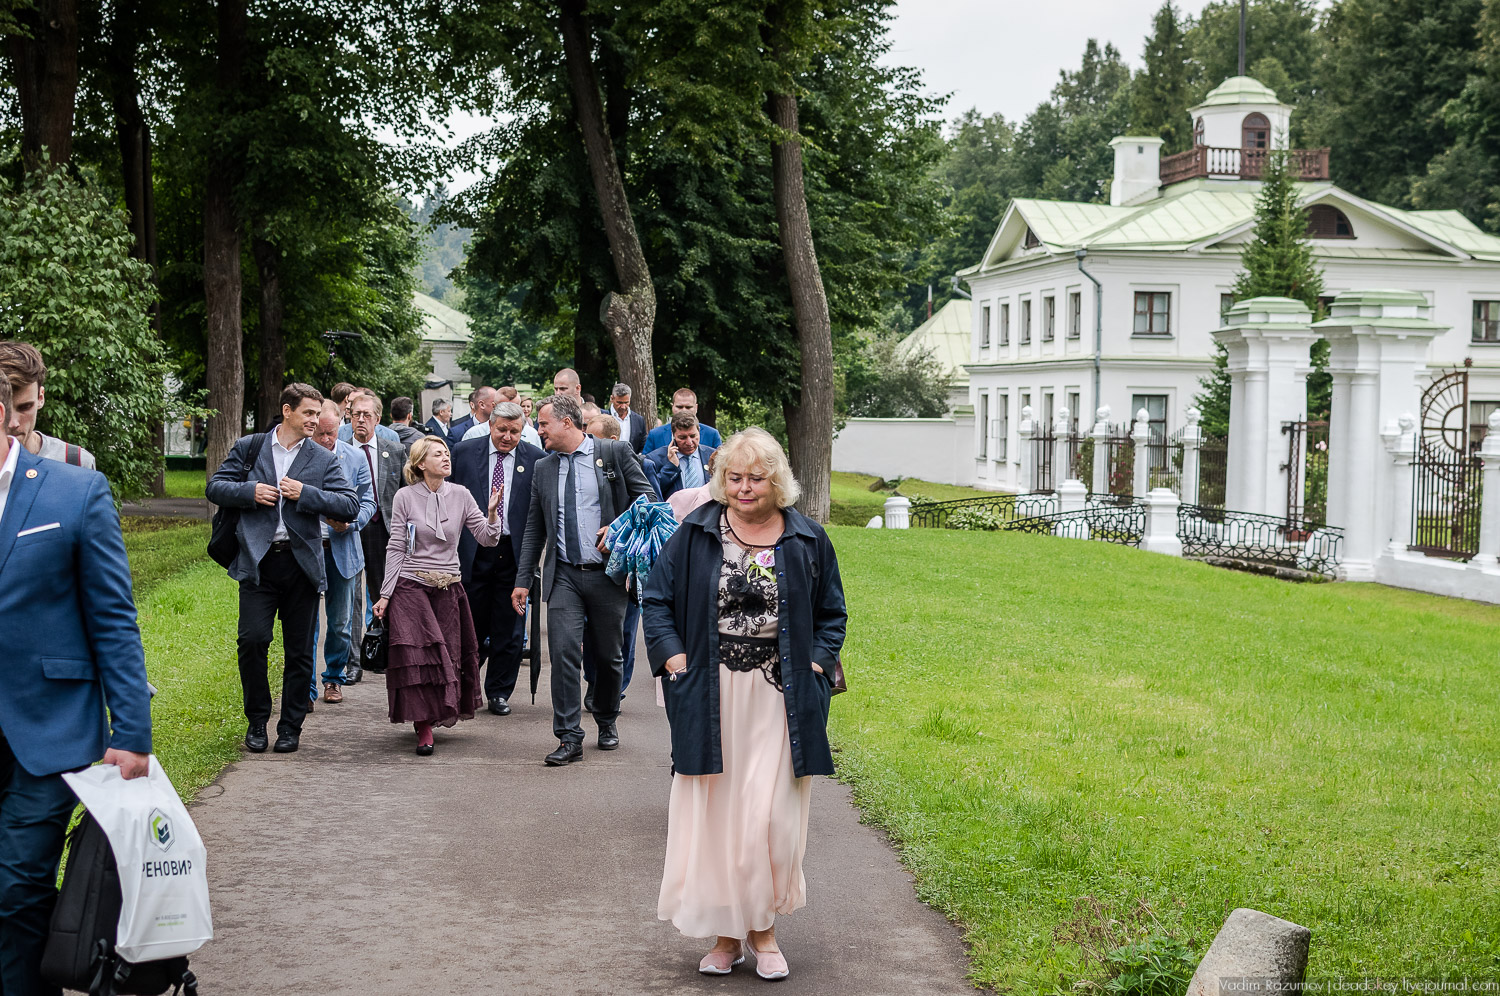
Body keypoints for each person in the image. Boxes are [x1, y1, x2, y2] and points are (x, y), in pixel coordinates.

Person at [643, 428, 846, 980]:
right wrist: (673, 659)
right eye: (734, 477)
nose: (744, 487)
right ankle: (729, 937)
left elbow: (832, 613)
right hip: (711, 694)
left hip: (782, 696)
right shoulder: (696, 532)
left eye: (756, 478)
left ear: (776, 481)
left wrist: (817, 663)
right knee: (718, 817)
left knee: (770, 816)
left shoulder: (807, 538)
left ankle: (765, 930)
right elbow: (656, 599)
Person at [0, 370, 153, 996]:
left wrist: (133, 731)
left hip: (49, 726)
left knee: (18, 887)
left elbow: (113, 618)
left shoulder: (76, 490)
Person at [207, 383, 360, 754]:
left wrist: (305, 493)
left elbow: (349, 505)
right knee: (252, 641)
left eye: (318, 414)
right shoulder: (251, 446)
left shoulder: (322, 458)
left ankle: (290, 726)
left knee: (299, 652)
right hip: (258, 562)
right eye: (308, 413)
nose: (315, 420)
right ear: (287, 411)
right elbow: (216, 487)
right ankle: (257, 720)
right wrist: (250, 491)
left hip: (301, 564)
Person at [512, 393, 653, 766]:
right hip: (564, 576)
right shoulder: (543, 468)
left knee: (608, 656)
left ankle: (606, 718)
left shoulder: (614, 453)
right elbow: (534, 528)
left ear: (566, 423)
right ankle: (569, 736)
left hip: (607, 575)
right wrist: (523, 579)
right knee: (563, 653)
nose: (538, 430)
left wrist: (619, 527)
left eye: (543, 424)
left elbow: (648, 500)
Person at [373, 437, 502, 756]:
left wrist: (492, 514)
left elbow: (487, 539)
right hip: (410, 585)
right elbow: (396, 546)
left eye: (447, 453)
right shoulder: (404, 497)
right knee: (419, 656)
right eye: (438, 454)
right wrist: (385, 594)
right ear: (420, 463)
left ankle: (433, 713)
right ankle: (423, 726)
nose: (446, 458)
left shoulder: (461, 494)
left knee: (446, 656)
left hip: (449, 587)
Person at [450, 402, 544, 716]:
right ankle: (465, 688)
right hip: (473, 551)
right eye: (501, 429)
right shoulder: (464, 453)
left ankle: (499, 691)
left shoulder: (536, 459)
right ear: (490, 425)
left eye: (514, 431)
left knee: (510, 628)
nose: (507, 436)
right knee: (469, 625)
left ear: (523, 430)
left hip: (513, 554)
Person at [309, 406, 377, 705]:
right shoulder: (301, 456)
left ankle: (334, 678)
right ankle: (306, 686)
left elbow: (369, 501)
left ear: (341, 428)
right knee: (307, 623)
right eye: (320, 433)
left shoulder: (355, 457)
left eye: (331, 433)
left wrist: (352, 523)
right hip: (308, 548)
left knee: (339, 623)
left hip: (343, 548)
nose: (326, 439)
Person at [348, 393, 406, 623]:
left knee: (382, 592)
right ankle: (353, 647)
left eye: (367, 415)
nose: (361, 419)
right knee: (351, 595)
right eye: (356, 414)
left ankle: (381, 640)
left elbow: (405, 492)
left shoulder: (395, 450)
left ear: (378, 419)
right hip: (349, 527)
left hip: (382, 527)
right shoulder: (340, 451)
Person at [0, 340, 98, 468]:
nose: (13, 423)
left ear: (40, 397)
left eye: (25, 407)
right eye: (3, 410)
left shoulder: (76, 462)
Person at [645, 413, 717, 500]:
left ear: (699, 431)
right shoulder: (655, 459)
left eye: (693, 436)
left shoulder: (713, 455)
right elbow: (653, 492)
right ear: (673, 435)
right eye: (682, 438)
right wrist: (671, 467)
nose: (689, 442)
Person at [643, 388, 723, 452]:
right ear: (672, 407)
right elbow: (646, 463)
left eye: (688, 407)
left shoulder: (712, 434)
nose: (684, 410)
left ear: (696, 408)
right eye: (679, 407)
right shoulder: (655, 435)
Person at [610, 382, 647, 454]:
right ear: (612, 398)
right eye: (619, 403)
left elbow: (643, 445)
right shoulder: (602, 416)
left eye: (626, 402)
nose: (623, 407)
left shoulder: (639, 420)